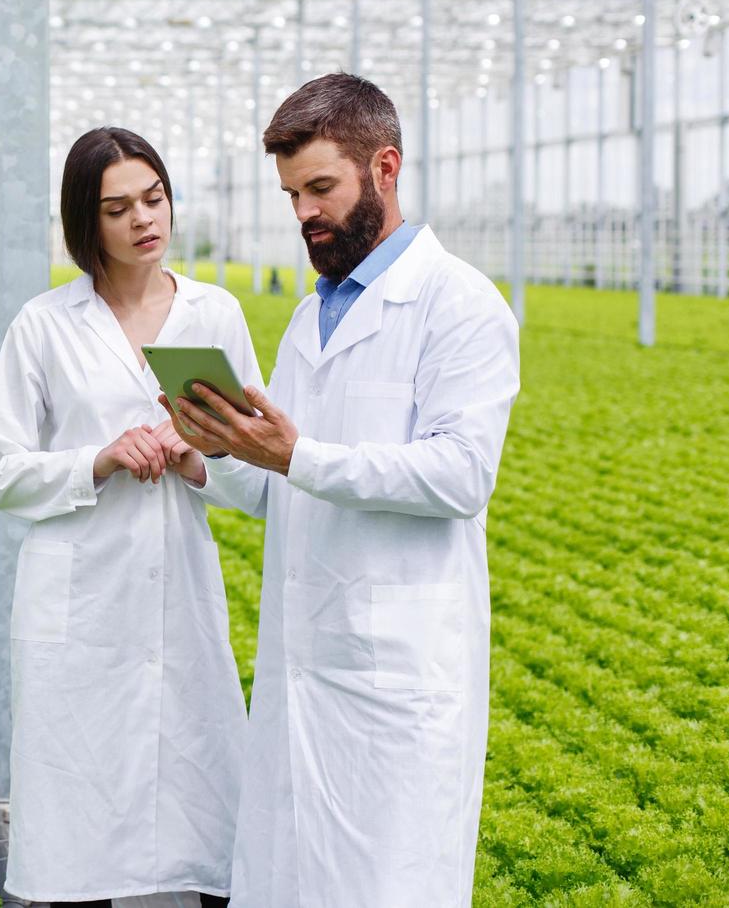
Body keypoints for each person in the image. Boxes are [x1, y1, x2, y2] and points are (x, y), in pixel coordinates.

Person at [161, 73, 520, 907]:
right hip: (304, 666)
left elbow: (462, 474)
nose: (303, 214)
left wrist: (297, 457)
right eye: (292, 194)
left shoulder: (457, 305)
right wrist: (209, 456)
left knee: (384, 884)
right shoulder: (308, 316)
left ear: (384, 168)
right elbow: (285, 483)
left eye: (321, 187)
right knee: (289, 879)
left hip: (396, 677)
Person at [0, 127, 259, 907]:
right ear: (85, 223)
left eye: (154, 197)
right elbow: (0, 470)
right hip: (82, 595)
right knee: (79, 820)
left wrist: (201, 454)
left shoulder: (215, 315)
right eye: (118, 207)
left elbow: (260, 473)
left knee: (205, 798)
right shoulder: (44, 325)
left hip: (179, 590)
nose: (144, 219)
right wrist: (97, 461)